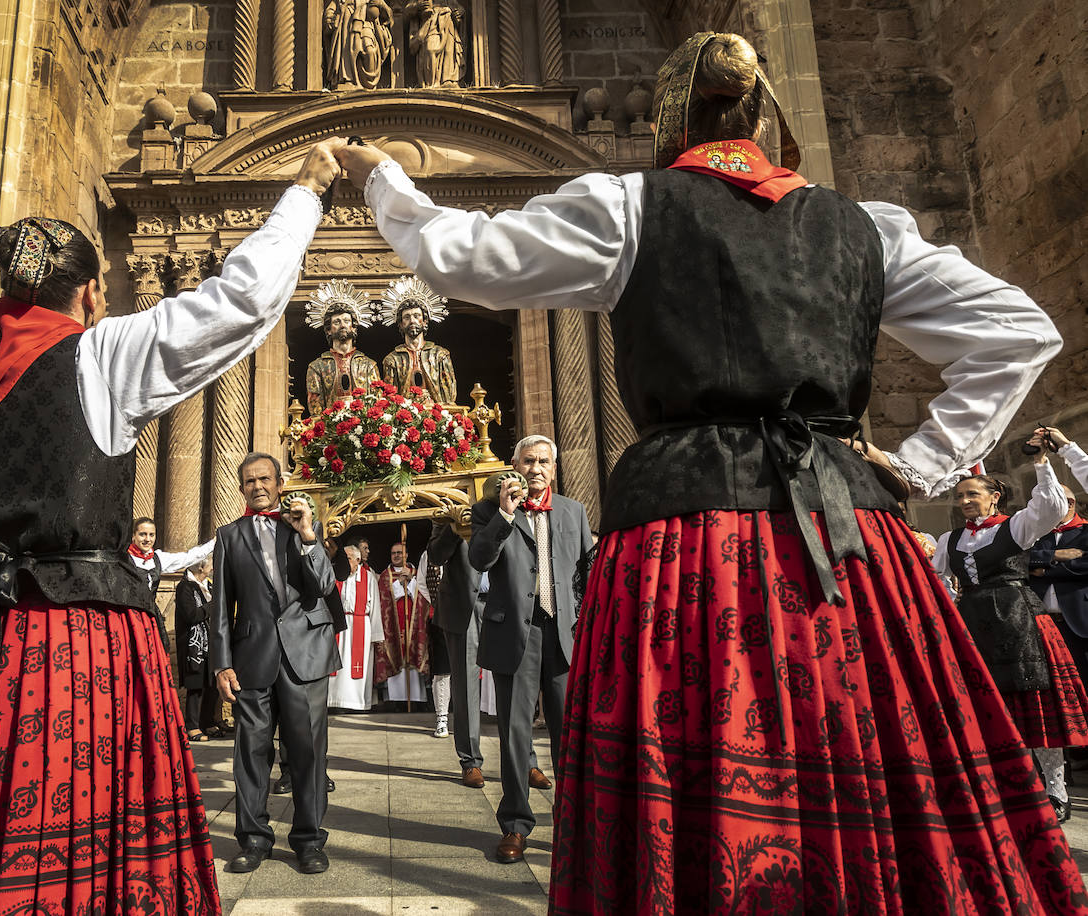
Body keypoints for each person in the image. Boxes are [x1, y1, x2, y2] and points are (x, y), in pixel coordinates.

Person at [334, 30, 1087, 912]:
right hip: (845, 534)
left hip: (687, 541)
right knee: (866, 748)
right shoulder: (860, 226)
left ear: (667, 124)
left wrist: (378, 176)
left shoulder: (629, 207)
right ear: (765, 121)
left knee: (696, 755)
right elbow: (1019, 332)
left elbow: (461, 257)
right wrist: (916, 463)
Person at [0, 139, 346, 913]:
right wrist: (305, 190)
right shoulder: (102, 354)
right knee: (79, 811)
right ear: (92, 292)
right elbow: (243, 300)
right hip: (82, 640)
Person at [933, 439, 1088, 823]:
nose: (965, 501)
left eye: (972, 494)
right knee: (988, 707)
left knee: (1035, 708)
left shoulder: (1016, 527)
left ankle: (1056, 789)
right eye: (960, 496)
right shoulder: (948, 540)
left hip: (1020, 621)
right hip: (972, 624)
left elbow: (1050, 505)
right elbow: (935, 581)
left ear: (994, 497)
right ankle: (1004, 785)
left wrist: (1040, 462)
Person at [210, 452, 340, 875]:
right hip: (252, 657)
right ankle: (253, 840)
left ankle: (308, 840)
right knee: (251, 752)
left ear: (280, 482)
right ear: (241, 487)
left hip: (306, 653)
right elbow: (221, 607)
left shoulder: (304, 525)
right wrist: (221, 664)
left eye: (265, 479)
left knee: (307, 752)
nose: (258, 487)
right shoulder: (229, 536)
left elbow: (322, 586)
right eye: (249, 481)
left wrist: (307, 536)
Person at [467, 436, 593, 863]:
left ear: (553, 469)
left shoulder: (574, 512)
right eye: (528, 461)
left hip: (563, 635)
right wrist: (504, 513)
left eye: (543, 462)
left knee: (568, 736)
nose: (535, 468)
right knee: (514, 735)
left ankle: (573, 827)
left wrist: (587, 626)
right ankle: (516, 826)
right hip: (514, 636)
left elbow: (586, 573)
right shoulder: (489, 509)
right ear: (515, 465)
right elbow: (479, 559)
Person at [1028, 426, 1088, 691]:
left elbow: (1083, 566)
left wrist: (1042, 568)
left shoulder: (1085, 531)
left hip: (1081, 620)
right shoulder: (1036, 533)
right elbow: (1020, 561)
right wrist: (1054, 556)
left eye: (1055, 500)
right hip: (1044, 625)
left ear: (1071, 504)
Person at [427, 519, 485, 785]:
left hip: (505, 598)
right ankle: (471, 761)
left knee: (517, 686)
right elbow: (437, 555)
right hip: (464, 604)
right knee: (465, 687)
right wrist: (455, 523)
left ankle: (526, 760)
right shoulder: (446, 509)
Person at [127, 515, 214, 651]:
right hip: (128, 616)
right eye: (142, 534)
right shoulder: (124, 559)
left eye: (151, 535)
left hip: (150, 617)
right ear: (133, 536)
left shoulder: (158, 558)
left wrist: (216, 540)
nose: (147, 539)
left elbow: (190, 557)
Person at [304, 281, 381, 417]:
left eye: (346, 321)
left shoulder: (369, 365)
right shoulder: (316, 367)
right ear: (328, 330)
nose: (342, 325)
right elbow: (315, 406)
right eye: (336, 322)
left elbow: (377, 401)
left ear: (354, 327)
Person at [378, 275, 457, 405]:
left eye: (417, 316)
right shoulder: (392, 360)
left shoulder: (440, 355)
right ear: (401, 323)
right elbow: (389, 397)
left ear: (425, 321)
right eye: (407, 317)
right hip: (405, 416)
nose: (412, 321)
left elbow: (449, 393)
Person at [328, 544, 384, 710]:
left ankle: (357, 703)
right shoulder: (336, 575)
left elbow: (375, 608)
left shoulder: (368, 577)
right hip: (338, 624)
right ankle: (334, 701)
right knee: (336, 666)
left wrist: (376, 635)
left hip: (360, 627)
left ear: (358, 560)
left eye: (347, 559)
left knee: (357, 667)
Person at [375, 540, 428, 705]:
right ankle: (396, 701)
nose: (397, 556)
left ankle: (417, 700)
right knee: (396, 657)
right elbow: (384, 598)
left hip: (414, 625)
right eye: (394, 553)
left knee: (412, 657)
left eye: (400, 553)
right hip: (393, 625)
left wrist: (411, 580)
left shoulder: (417, 573)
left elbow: (423, 597)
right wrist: (399, 582)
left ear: (406, 554)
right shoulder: (385, 575)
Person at [176, 556, 219, 740]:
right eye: (210, 563)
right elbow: (191, 615)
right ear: (201, 567)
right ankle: (192, 725)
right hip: (194, 644)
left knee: (212, 683)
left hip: (212, 642)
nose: (212, 566)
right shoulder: (185, 586)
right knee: (196, 685)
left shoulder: (208, 586)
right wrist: (214, 604)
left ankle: (207, 721)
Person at [416, 547, 451, 736]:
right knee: (442, 669)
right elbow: (422, 582)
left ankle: (467, 718)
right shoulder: (427, 554)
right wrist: (438, 602)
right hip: (439, 615)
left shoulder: (465, 544)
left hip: (463, 614)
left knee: (464, 669)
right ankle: (442, 718)